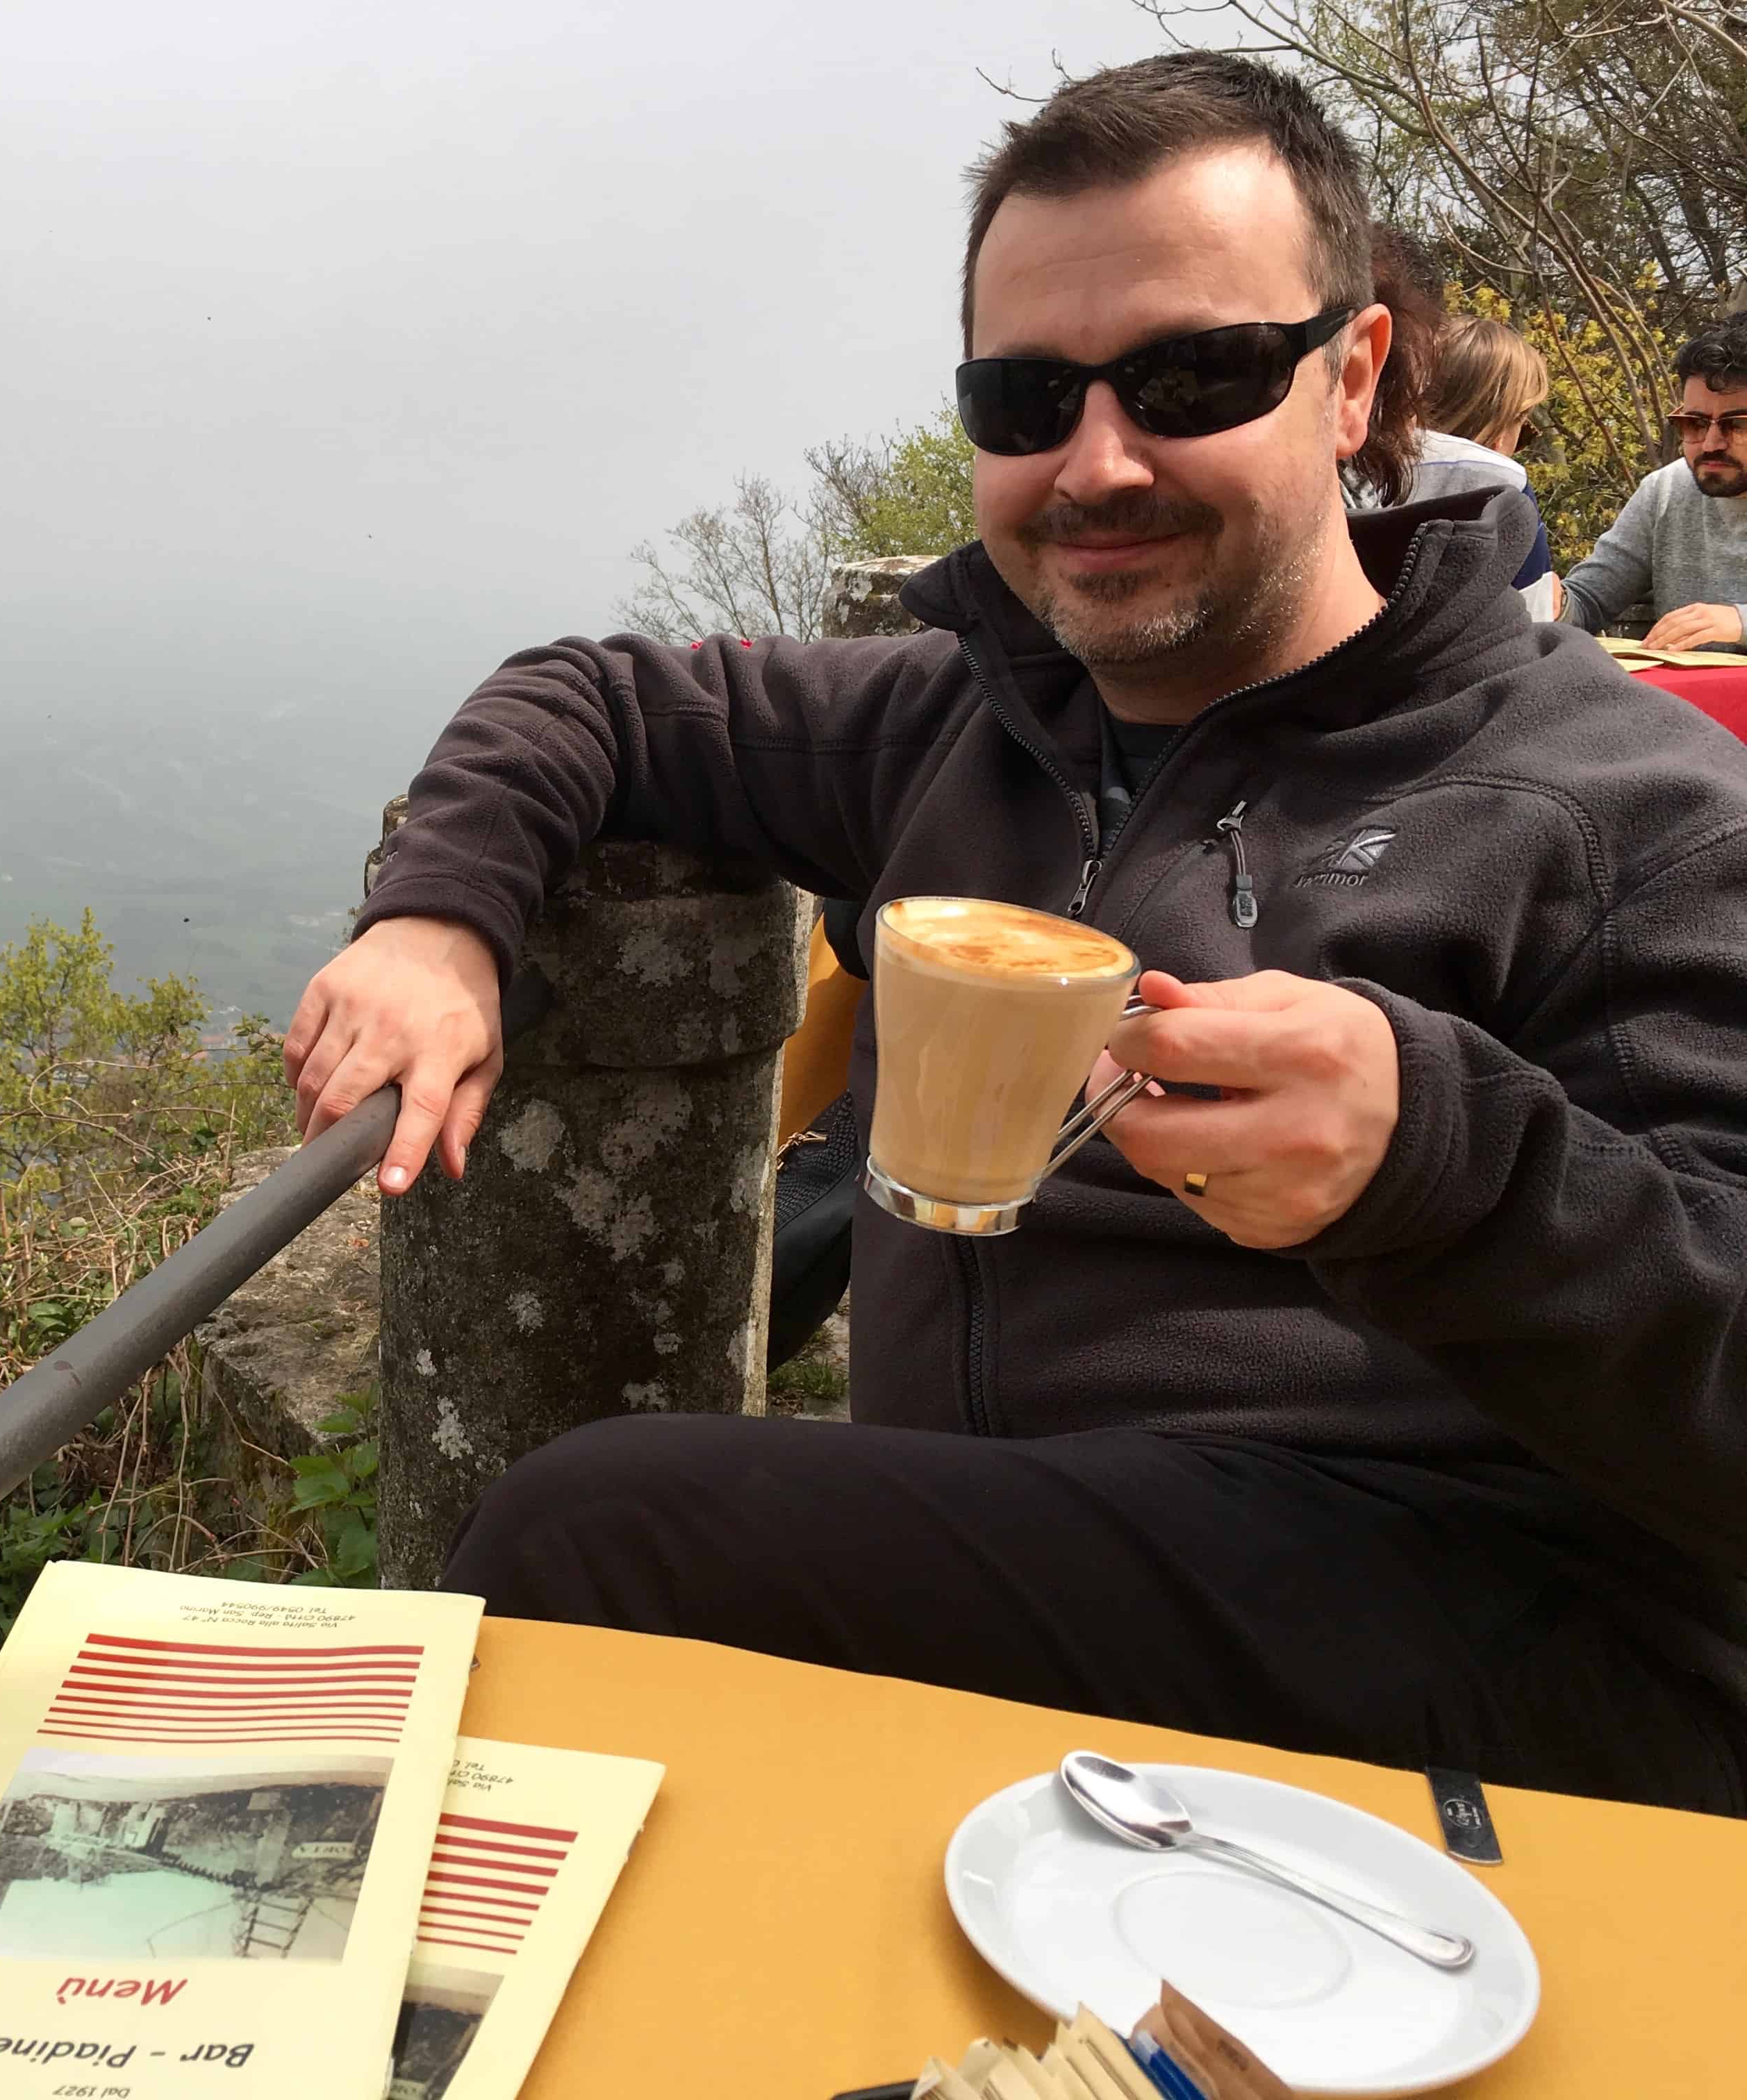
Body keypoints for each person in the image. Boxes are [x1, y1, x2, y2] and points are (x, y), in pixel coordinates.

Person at [285, 51, 1747, 1815]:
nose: (1098, 462)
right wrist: (440, 922)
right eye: (1026, 397)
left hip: (1484, 1646)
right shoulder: (964, 720)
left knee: (601, 1534)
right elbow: (593, 695)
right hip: (1026, 1584)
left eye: (1192, 376)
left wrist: (1448, 1163)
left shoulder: (1620, 805)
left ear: (1353, 380)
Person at [1560, 312, 1747, 648]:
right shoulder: (1667, 490)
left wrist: (1741, 622)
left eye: (1738, 425)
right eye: (1695, 424)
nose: (1710, 444)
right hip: (1694, 700)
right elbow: (1589, 599)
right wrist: (1544, 597)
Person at [1405, 314, 1562, 619]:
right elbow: (1536, 622)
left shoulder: (1357, 472)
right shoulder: (1505, 487)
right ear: (1498, 432)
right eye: (1523, 428)